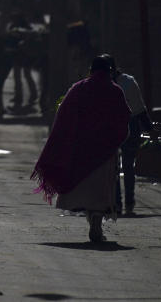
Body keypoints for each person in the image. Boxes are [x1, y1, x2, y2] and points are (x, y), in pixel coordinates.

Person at [31, 54, 131, 242]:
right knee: (101, 189)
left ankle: (92, 220)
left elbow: (63, 117)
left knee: (85, 187)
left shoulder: (78, 89)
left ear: (91, 70)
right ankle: (96, 222)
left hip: (80, 149)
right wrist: (116, 140)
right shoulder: (115, 91)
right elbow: (123, 118)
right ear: (110, 71)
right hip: (105, 150)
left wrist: (64, 142)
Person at [106, 57, 153, 215]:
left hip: (129, 127)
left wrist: (150, 129)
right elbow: (141, 108)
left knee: (126, 166)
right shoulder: (119, 82)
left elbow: (139, 109)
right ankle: (119, 203)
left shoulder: (128, 82)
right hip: (113, 128)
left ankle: (128, 202)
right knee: (117, 167)